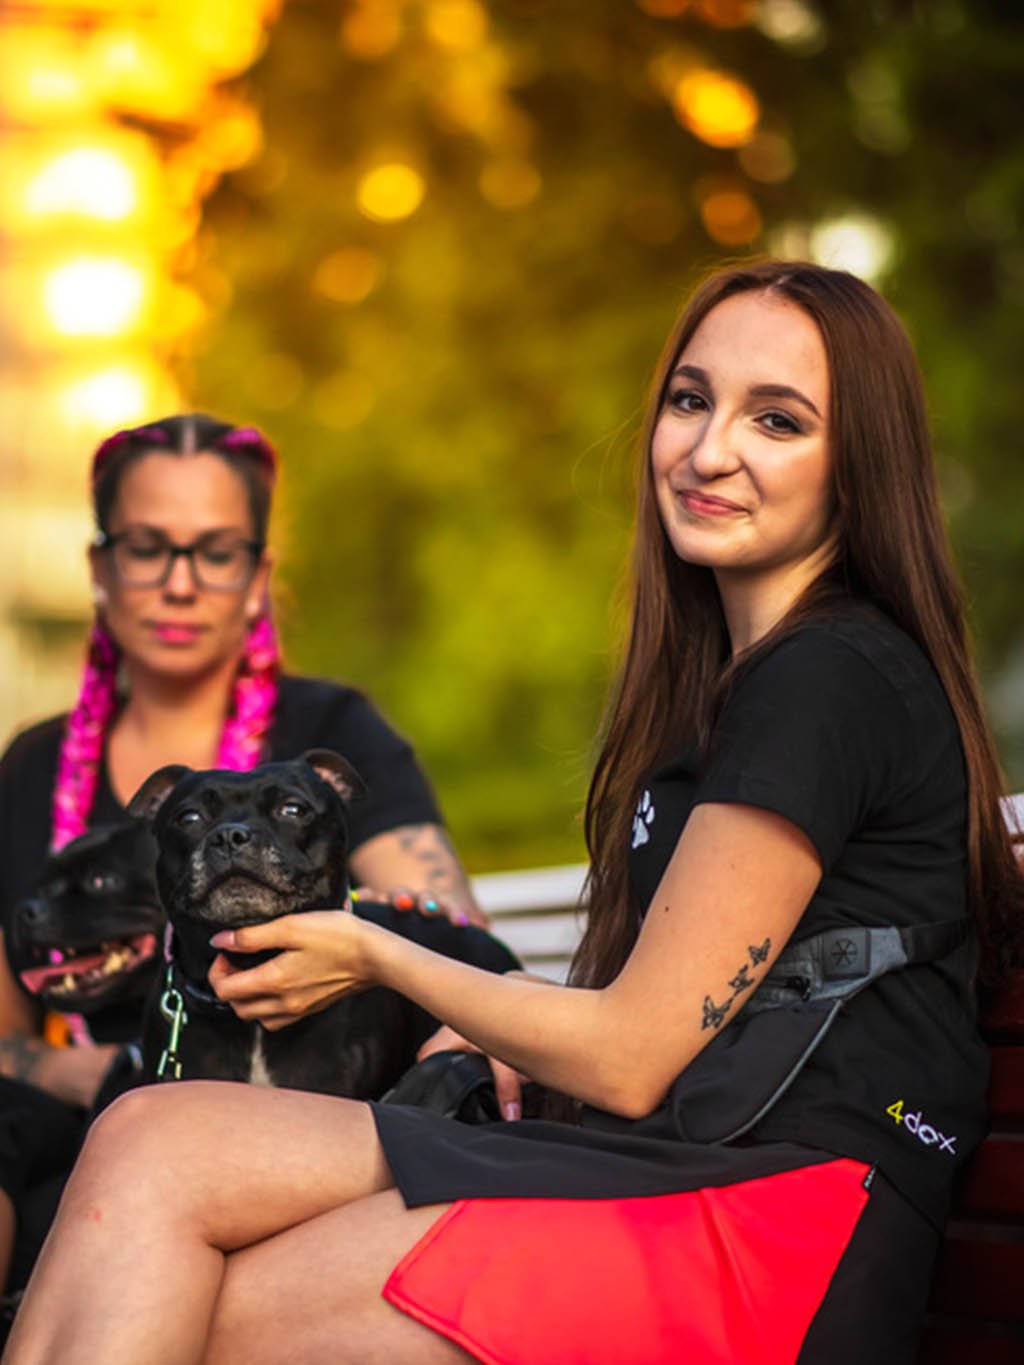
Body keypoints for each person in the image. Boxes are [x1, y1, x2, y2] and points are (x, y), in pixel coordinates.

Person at [8, 261, 1024, 1365]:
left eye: (776, 420)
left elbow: (632, 1055)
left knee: (178, 1295)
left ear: (856, 463)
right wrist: (496, 1018)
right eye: (690, 401)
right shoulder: (724, 699)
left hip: (769, 1221)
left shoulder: (826, 677)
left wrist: (378, 954)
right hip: (667, 1159)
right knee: (152, 1134)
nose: (709, 448)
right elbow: (666, 1019)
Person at [0, 413, 484, 1295]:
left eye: (215, 551)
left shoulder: (333, 729)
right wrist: (108, 1071)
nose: (180, 582)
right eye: (148, 547)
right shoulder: (35, 765)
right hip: (85, 1115)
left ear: (257, 574)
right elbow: (4, 1030)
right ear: (100, 567)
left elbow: (447, 941)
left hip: (306, 1110)